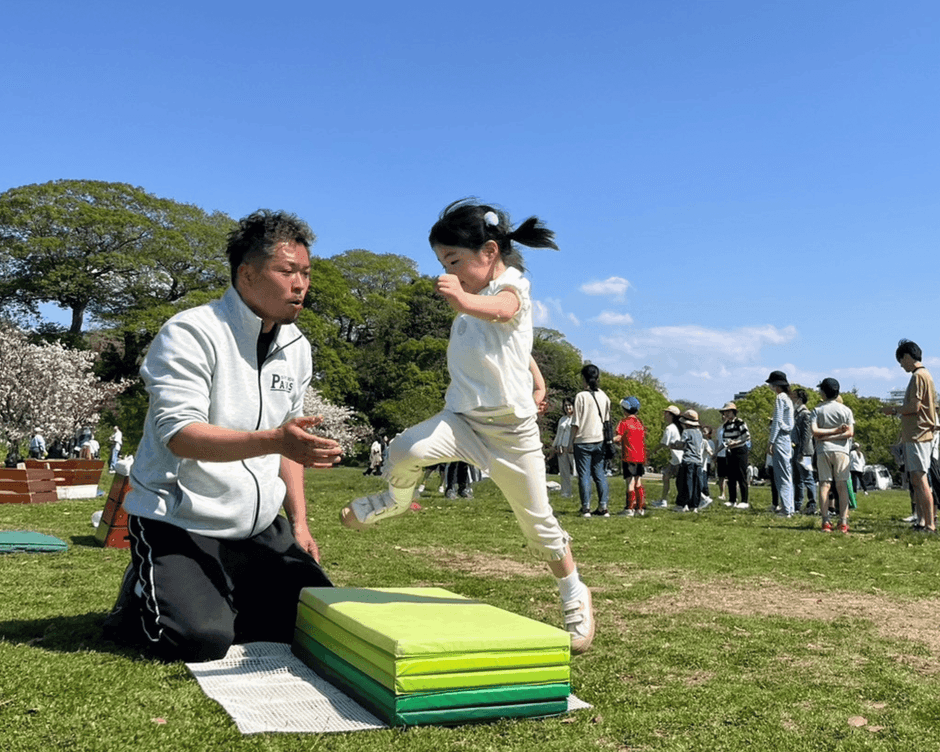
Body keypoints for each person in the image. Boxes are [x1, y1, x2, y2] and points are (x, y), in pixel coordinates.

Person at [339, 200, 594, 654]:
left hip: (510, 436)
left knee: (540, 528)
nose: (449, 272)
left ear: (490, 251)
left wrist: (460, 298)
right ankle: (395, 501)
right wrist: (537, 378)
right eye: (442, 264)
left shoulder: (511, 284)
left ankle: (574, 593)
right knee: (404, 450)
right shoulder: (472, 307)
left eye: (454, 261)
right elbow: (516, 342)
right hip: (460, 419)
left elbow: (504, 310)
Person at [104, 210, 343, 663]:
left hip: (257, 526)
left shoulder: (298, 346)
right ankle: (141, 592)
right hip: (179, 521)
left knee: (316, 624)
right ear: (247, 274)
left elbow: (287, 442)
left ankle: (225, 592)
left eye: (306, 273)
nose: (301, 284)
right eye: (287, 271)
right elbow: (182, 436)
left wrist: (300, 522)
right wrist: (275, 440)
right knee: (200, 639)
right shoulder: (192, 332)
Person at [882, 339, 937, 533]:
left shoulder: (919, 376)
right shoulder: (923, 375)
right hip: (916, 434)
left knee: (921, 480)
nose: (901, 365)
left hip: (918, 434)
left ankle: (929, 524)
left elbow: (915, 407)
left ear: (907, 357)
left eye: (901, 360)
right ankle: (922, 521)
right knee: (916, 479)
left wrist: (894, 410)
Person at [812, 378, 854, 533]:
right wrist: (837, 432)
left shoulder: (817, 410)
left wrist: (828, 436)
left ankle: (825, 522)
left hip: (823, 449)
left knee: (824, 485)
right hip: (842, 451)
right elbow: (850, 433)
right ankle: (843, 522)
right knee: (842, 486)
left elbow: (815, 432)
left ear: (823, 392)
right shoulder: (846, 410)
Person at [570, 364, 612, 518]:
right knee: (600, 474)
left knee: (584, 475)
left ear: (583, 378)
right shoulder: (604, 396)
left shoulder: (581, 396)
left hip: (582, 439)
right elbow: (607, 421)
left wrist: (570, 442)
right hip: (600, 440)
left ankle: (586, 508)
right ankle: (603, 507)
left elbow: (576, 422)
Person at [766, 371, 795, 518]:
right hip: (787, 438)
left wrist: (771, 441)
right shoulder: (788, 399)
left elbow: (777, 421)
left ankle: (786, 509)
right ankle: (790, 506)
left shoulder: (780, 398)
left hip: (780, 438)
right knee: (787, 474)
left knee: (781, 475)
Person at [613, 396, 646, 516]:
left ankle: (629, 508)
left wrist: (609, 440)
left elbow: (619, 437)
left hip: (628, 455)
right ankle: (640, 508)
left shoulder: (624, 422)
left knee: (630, 482)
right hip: (640, 456)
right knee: (638, 481)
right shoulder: (639, 423)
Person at [719, 402, 751, 509]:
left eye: (728, 411)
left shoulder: (740, 423)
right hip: (730, 452)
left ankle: (744, 501)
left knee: (741, 476)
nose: (726, 414)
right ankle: (732, 500)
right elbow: (725, 440)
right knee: (731, 477)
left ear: (733, 412)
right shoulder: (726, 425)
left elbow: (746, 436)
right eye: (725, 412)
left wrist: (736, 442)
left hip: (740, 451)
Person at [671, 409, 704, 512]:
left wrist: (674, 444)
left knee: (683, 483)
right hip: (698, 462)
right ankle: (694, 506)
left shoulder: (686, 431)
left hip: (687, 461)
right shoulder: (699, 433)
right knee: (696, 485)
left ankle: (681, 504)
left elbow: (682, 443)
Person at [791, 388, 817, 514]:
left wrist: (802, 452)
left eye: (794, 397)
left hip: (804, 451)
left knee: (807, 477)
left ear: (800, 399)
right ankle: (797, 504)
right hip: (796, 449)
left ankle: (812, 503)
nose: (792, 399)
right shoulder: (796, 413)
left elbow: (807, 435)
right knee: (797, 479)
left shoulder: (805, 413)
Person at [657, 405, 683, 507]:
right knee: (666, 476)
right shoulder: (679, 428)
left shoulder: (670, 428)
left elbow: (664, 443)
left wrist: (655, 450)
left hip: (675, 458)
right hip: (678, 457)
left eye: (666, 413)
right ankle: (663, 500)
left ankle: (702, 497)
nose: (664, 415)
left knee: (679, 481)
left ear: (671, 415)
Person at [550, 398, 575, 498]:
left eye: (569, 405)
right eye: (565, 406)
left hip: (572, 448)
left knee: (576, 471)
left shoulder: (577, 418)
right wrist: (555, 446)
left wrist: (572, 446)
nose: (568, 407)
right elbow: (558, 434)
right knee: (564, 472)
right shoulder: (562, 419)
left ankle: (581, 492)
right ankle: (566, 492)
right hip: (561, 447)